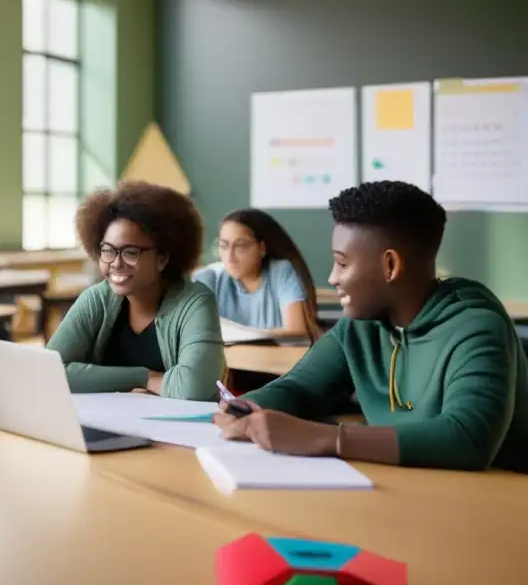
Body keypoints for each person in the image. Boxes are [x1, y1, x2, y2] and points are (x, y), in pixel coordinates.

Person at [214, 181, 528, 473]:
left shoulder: (476, 327)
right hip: (406, 487)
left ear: (390, 266)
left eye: (343, 263)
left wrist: (327, 439)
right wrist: (251, 406)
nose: (332, 278)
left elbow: (468, 439)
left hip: (496, 500)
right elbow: (300, 387)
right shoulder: (359, 326)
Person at [46, 181, 225, 400]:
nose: (116, 263)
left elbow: (193, 389)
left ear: (162, 258)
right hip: (106, 425)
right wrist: (144, 377)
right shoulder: (96, 299)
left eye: (131, 252)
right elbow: (49, 371)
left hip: (172, 432)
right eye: (107, 250)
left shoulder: (196, 302)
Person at [194, 209, 320, 340]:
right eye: (224, 246)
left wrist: (243, 335)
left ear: (262, 248)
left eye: (241, 246)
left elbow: (297, 330)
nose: (230, 256)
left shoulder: (281, 271)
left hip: (277, 359)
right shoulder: (209, 277)